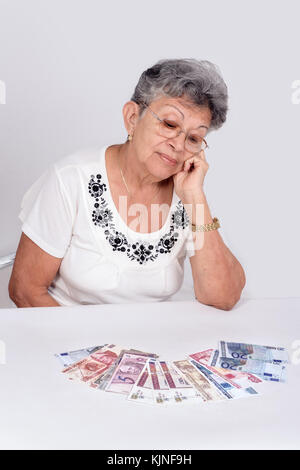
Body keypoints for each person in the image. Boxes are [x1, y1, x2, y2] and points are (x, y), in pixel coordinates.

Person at [8, 58, 246, 310]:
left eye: (194, 138)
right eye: (169, 124)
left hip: (155, 343)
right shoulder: (71, 179)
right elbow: (25, 290)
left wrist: (195, 198)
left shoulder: (186, 194)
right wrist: (94, 349)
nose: (178, 144)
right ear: (132, 117)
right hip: (72, 340)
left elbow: (223, 297)